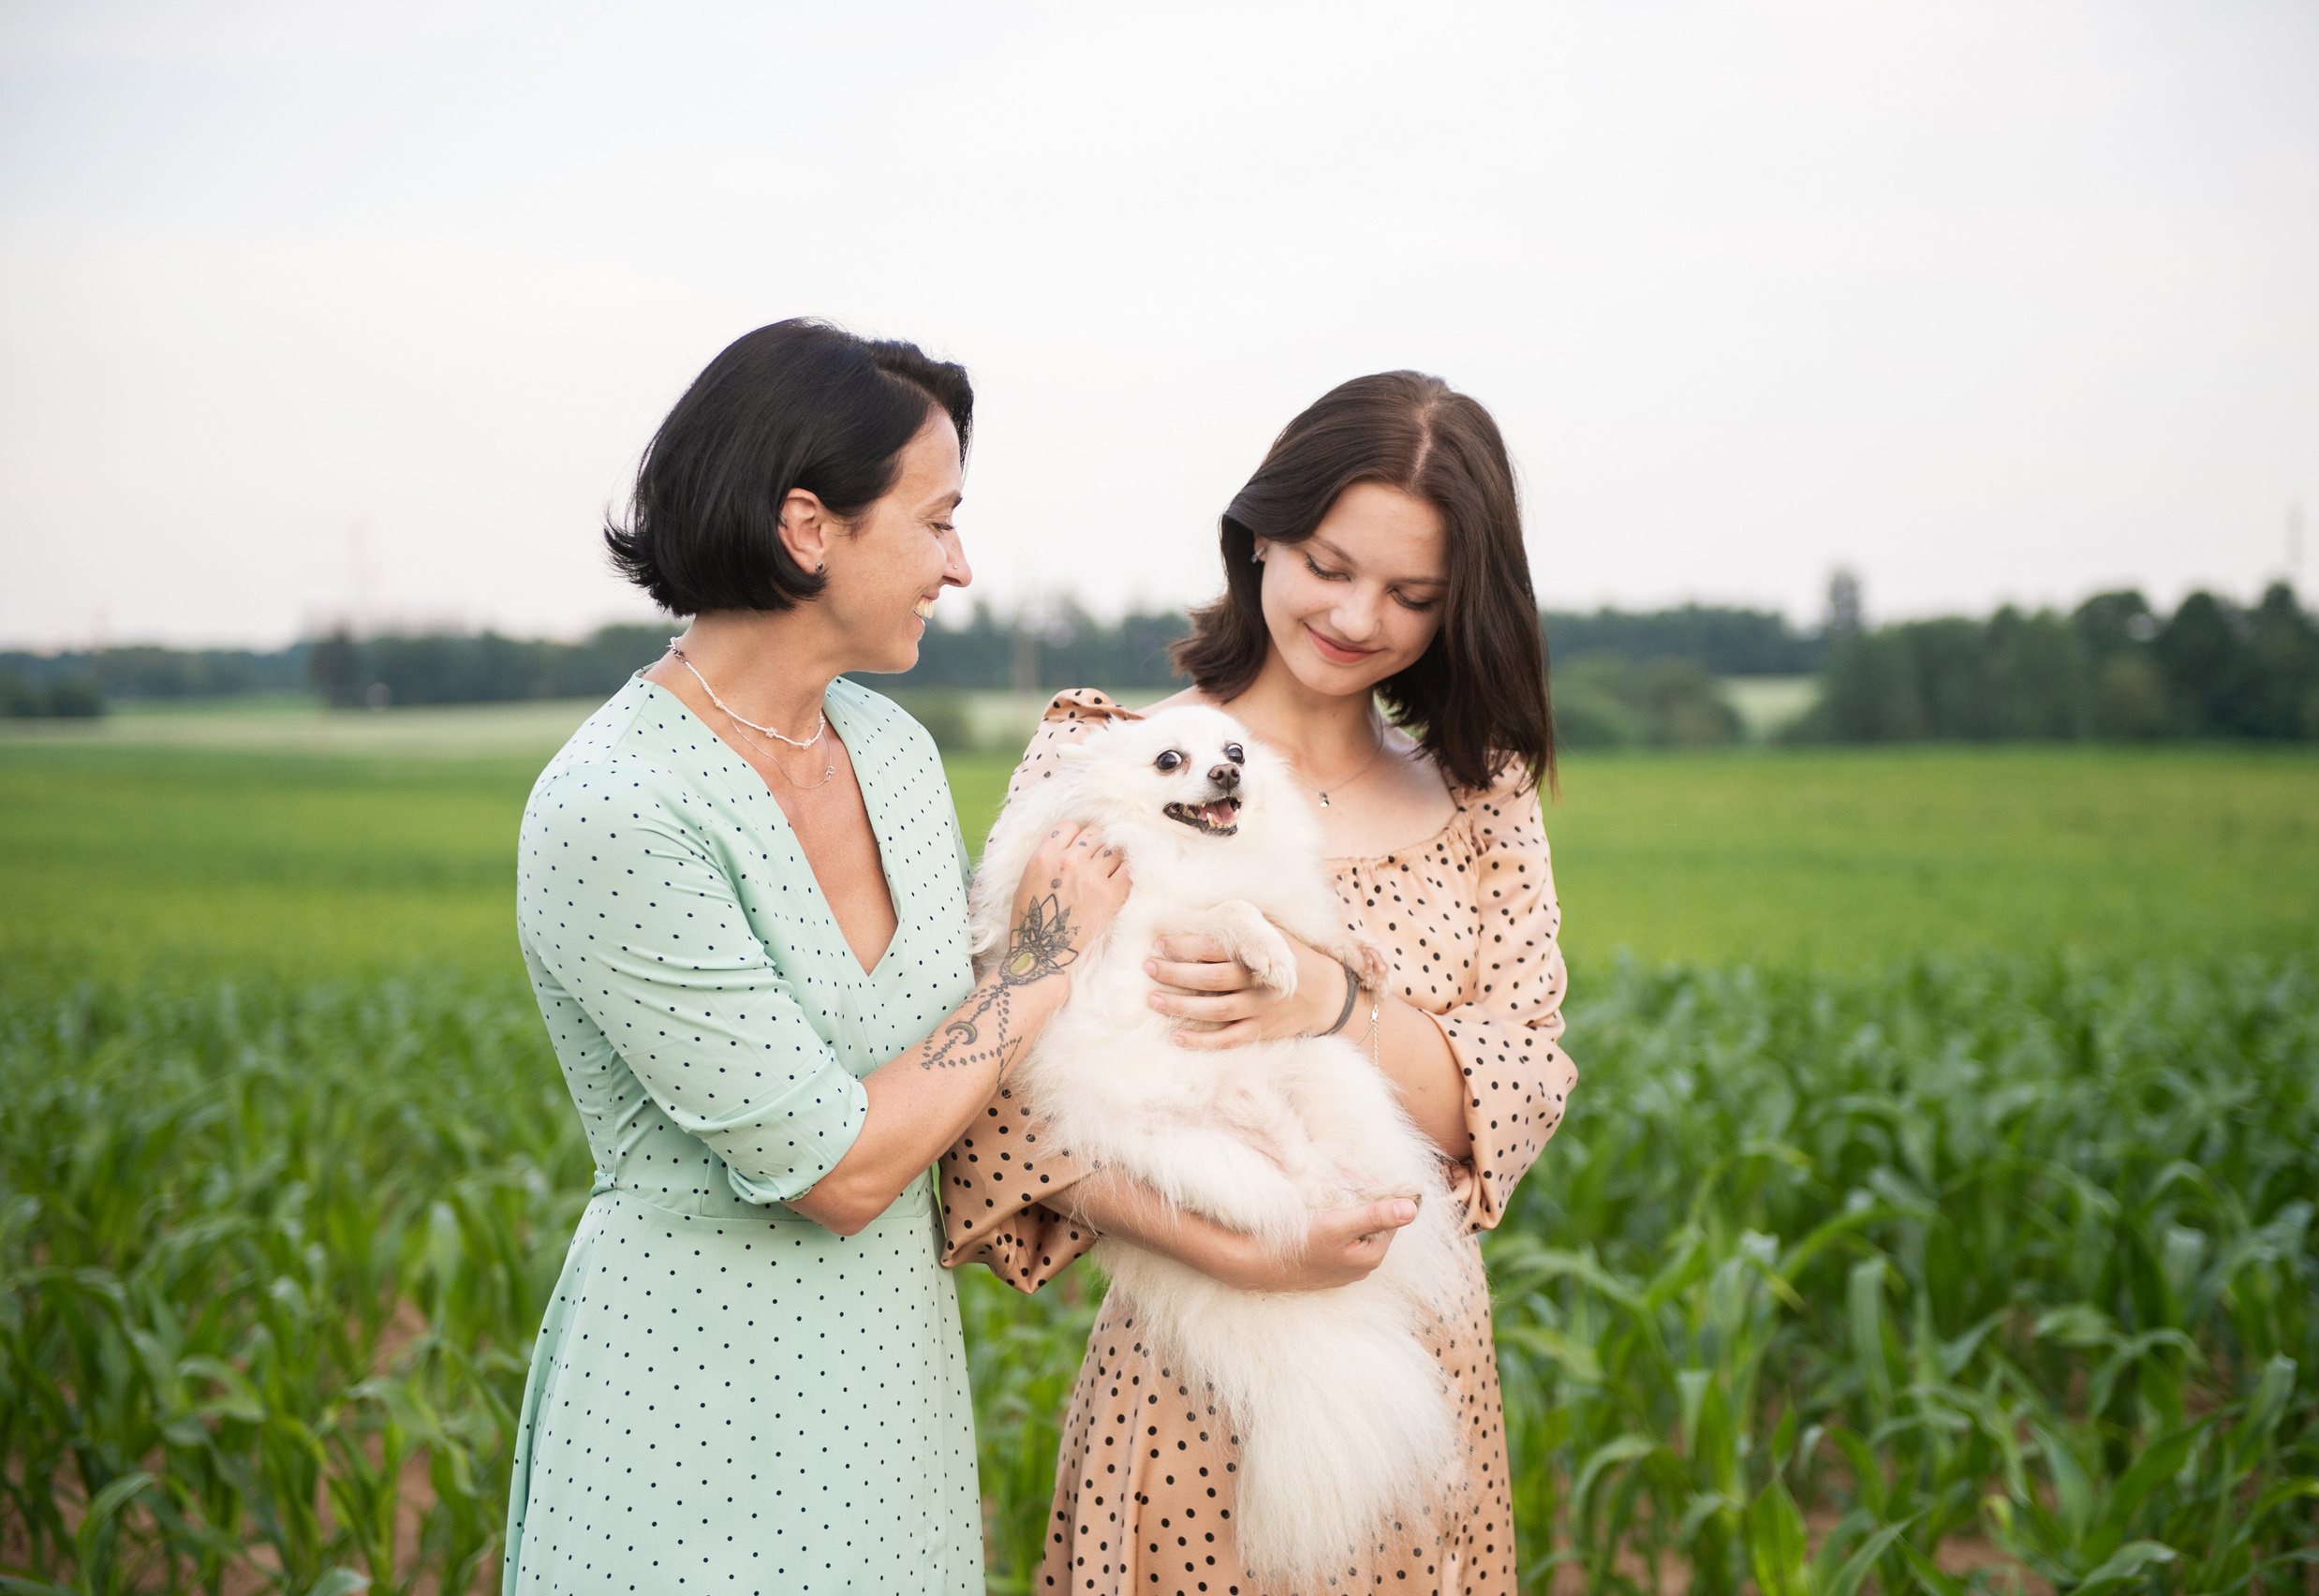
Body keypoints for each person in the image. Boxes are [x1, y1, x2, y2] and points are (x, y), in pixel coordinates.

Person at [503, 319, 1130, 1593]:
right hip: (689, 1414)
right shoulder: (617, 807)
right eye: (937, 521)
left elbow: (964, 1081)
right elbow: (835, 1170)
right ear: (808, 528)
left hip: (891, 1398)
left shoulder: (893, 752)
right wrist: (1041, 967)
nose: (960, 566)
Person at [939, 371, 1575, 1593]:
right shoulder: (1110, 759)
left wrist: (1328, 1003)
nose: (1357, 615)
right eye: (1329, 565)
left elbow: (1514, 1091)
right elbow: (1010, 1097)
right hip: (1196, 1375)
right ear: (1261, 537)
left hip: (1422, 1364)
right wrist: (1252, 1255)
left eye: (1414, 595)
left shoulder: (1482, 797)